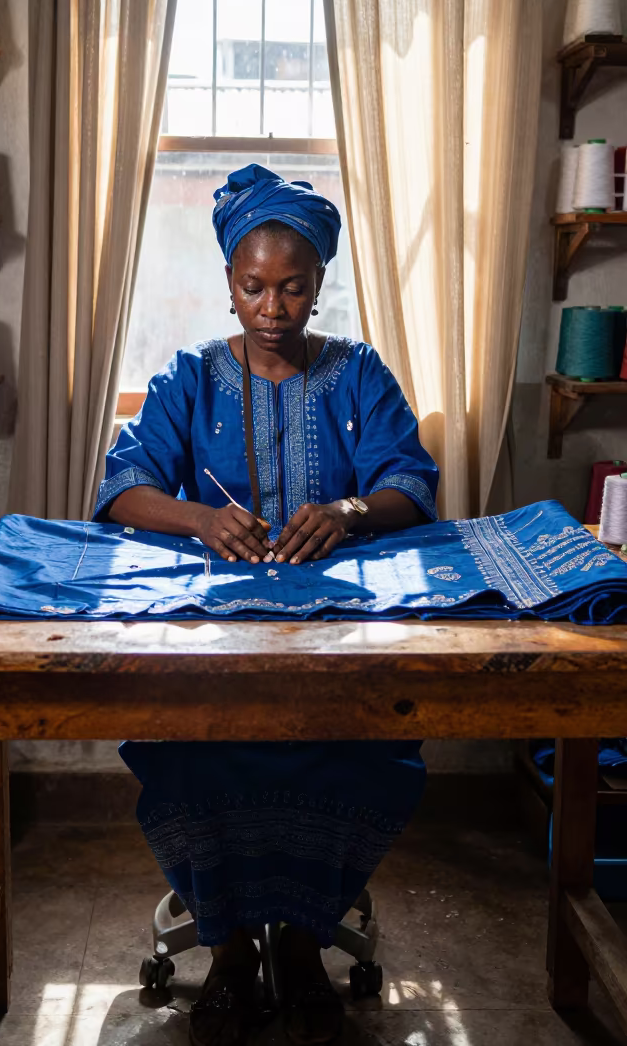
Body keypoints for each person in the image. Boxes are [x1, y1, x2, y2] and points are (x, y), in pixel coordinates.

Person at [94, 164, 439, 1046]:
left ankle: (303, 945)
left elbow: (409, 482)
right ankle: (235, 947)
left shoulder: (360, 373)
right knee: (196, 752)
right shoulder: (190, 376)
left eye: (292, 288)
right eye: (254, 287)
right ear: (229, 285)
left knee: (357, 746)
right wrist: (202, 517)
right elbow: (124, 486)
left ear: (319, 285)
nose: (272, 307)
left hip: (340, 634)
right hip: (211, 632)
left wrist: (348, 510)